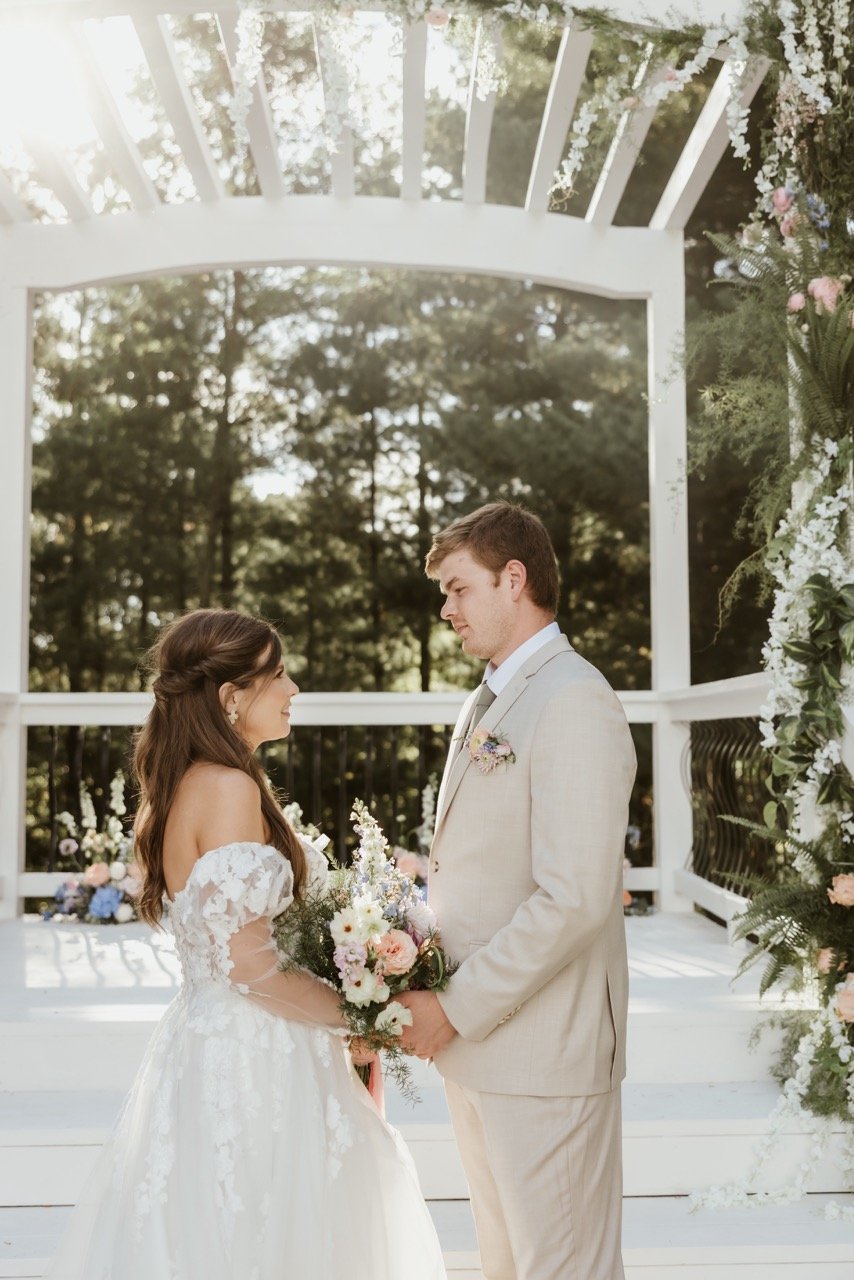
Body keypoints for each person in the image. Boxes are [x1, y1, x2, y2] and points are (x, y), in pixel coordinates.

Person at [47, 608, 445, 1280]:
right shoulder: (228, 789)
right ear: (233, 697)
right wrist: (364, 1016)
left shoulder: (180, 788)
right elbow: (250, 965)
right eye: (278, 675)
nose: (293, 690)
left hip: (208, 1041)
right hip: (259, 1054)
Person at [397, 503, 636, 1280]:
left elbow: (574, 898)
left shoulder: (573, 698)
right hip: (481, 1052)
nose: (447, 609)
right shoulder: (491, 697)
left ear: (514, 579)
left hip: (545, 1058)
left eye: (459, 589)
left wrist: (453, 1008)